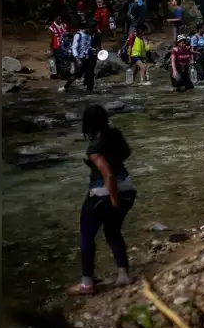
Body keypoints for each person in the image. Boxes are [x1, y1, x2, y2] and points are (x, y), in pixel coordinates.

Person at [67, 104, 137, 295]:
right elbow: (127, 153)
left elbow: (108, 175)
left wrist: (113, 200)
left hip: (104, 193)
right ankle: (123, 275)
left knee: (87, 234)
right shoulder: (115, 135)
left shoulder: (94, 147)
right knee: (113, 232)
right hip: (128, 189)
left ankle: (87, 283)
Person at [48, 15, 70, 79]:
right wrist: (51, 49)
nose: (60, 20)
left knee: (63, 60)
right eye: (58, 19)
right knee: (57, 60)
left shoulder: (63, 26)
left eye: (61, 19)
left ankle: (62, 73)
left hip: (64, 46)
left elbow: (68, 33)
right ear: (55, 19)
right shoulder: (52, 28)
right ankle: (56, 74)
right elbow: (50, 39)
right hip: (56, 46)